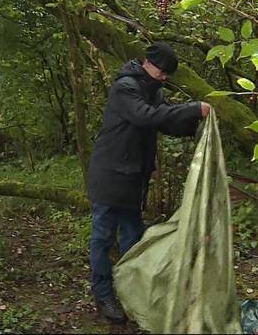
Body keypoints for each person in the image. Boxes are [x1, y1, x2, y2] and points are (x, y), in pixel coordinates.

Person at [86, 42, 210, 322]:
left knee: (133, 238)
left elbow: (165, 122)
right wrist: (192, 108)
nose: (165, 76)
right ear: (148, 64)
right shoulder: (126, 87)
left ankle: (132, 291)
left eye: (168, 73)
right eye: (163, 71)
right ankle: (104, 296)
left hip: (133, 179)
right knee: (103, 238)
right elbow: (145, 117)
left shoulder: (154, 91)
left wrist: (195, 125)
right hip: (108, 177)